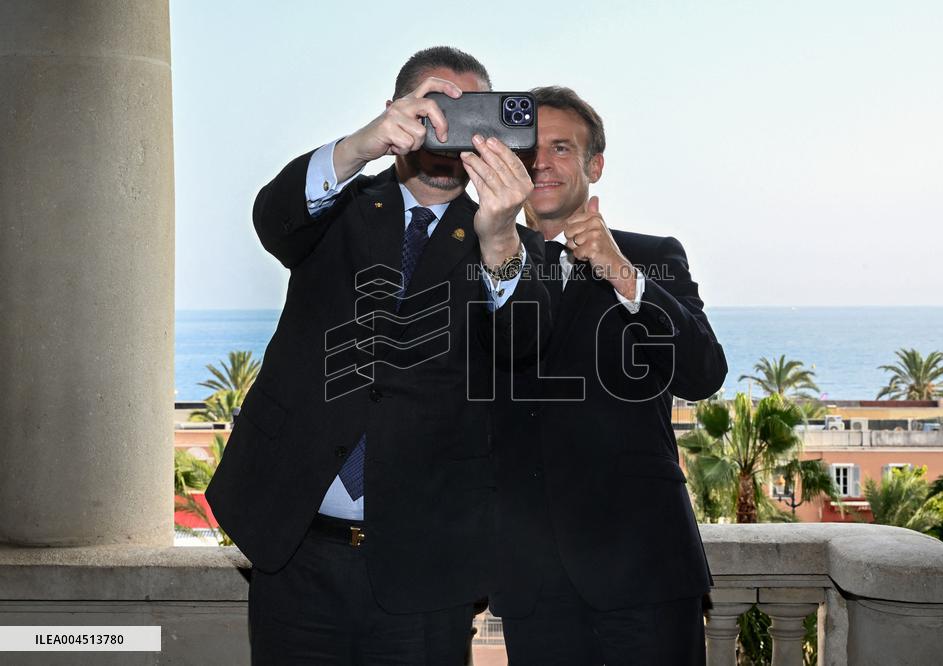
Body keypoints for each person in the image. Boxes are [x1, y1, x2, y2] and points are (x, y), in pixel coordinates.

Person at [206, 46, 547, 664]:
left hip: (427, 568)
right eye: (436, 109)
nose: (450, 130)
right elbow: (272, 219)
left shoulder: (514, 247)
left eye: (471, 114)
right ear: (398, 112)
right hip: (293, 549)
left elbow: (525, 353)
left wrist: (500, 239)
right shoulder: (339, 205)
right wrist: (357, 147)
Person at [490, 86, 728, 665]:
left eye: (562, 148)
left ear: (594, 165)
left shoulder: (654, 256)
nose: (541, 162)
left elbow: (703, 373)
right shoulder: (482, 262)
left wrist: (626, 277)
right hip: (532, 584)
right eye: (528, 149)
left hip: (645, 568)